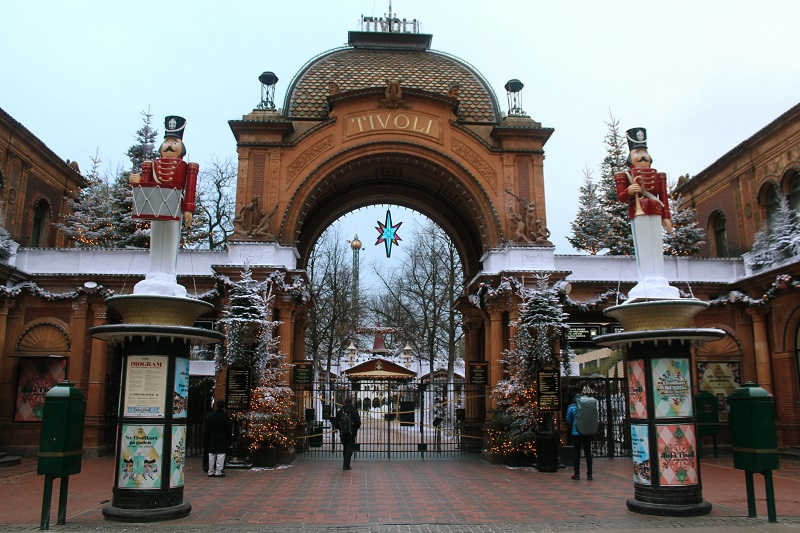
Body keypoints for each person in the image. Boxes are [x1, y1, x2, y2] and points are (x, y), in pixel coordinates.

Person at [129, 115, 199, 297]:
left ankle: (168, 272)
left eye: (174, 142)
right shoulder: (152, 164)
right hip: (155, 204)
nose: (169, 145)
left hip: (174, 204)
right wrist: (137, 182)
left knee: (170, 238)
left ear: (181, 148)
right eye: (167, 141)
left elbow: (190, 187)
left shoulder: (187, 166)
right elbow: (146, 184)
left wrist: (189, 208)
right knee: (156, 235)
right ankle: (153, 271)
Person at [613, 127, 680, 302]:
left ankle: (659, 276)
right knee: (643, 244)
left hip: (655, 209)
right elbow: (621, 197)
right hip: (637, 210)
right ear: (631, 157)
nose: (642, 156)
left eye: (644, 152)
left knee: (657, 244)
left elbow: (663, 196)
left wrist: (667, 217)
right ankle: (645, 276)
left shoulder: (659, 175)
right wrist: (629, 189)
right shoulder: (624, 175)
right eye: (638, 152)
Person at [565, 388, 598, 480]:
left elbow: (568, 419)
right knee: (588, 453)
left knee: (576, 453)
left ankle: (577, 474)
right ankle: (589, 474)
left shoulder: (572, 406)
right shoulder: (589, 406)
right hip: (588, 432)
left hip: (576, 432)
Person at [333, 397, 361, 470]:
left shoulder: (340, 411)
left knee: (345, 447)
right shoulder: (354, 411)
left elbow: (335, 422)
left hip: (343, 433)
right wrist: (354, 429)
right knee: (350, 448)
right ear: (351, 402)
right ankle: (346, 464)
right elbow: (358, 422)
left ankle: (346, 463)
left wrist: (340, 428)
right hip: (351, 433)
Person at [207, 399, 231, 477]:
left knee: (212, 454)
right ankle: (218, 471)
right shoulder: (225, 416)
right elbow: (228, 428)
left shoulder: (211, 415)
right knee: (221, 454)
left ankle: (210, 471)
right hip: (222, 437)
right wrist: (229, 438)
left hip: (212, 436)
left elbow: (208, 427)